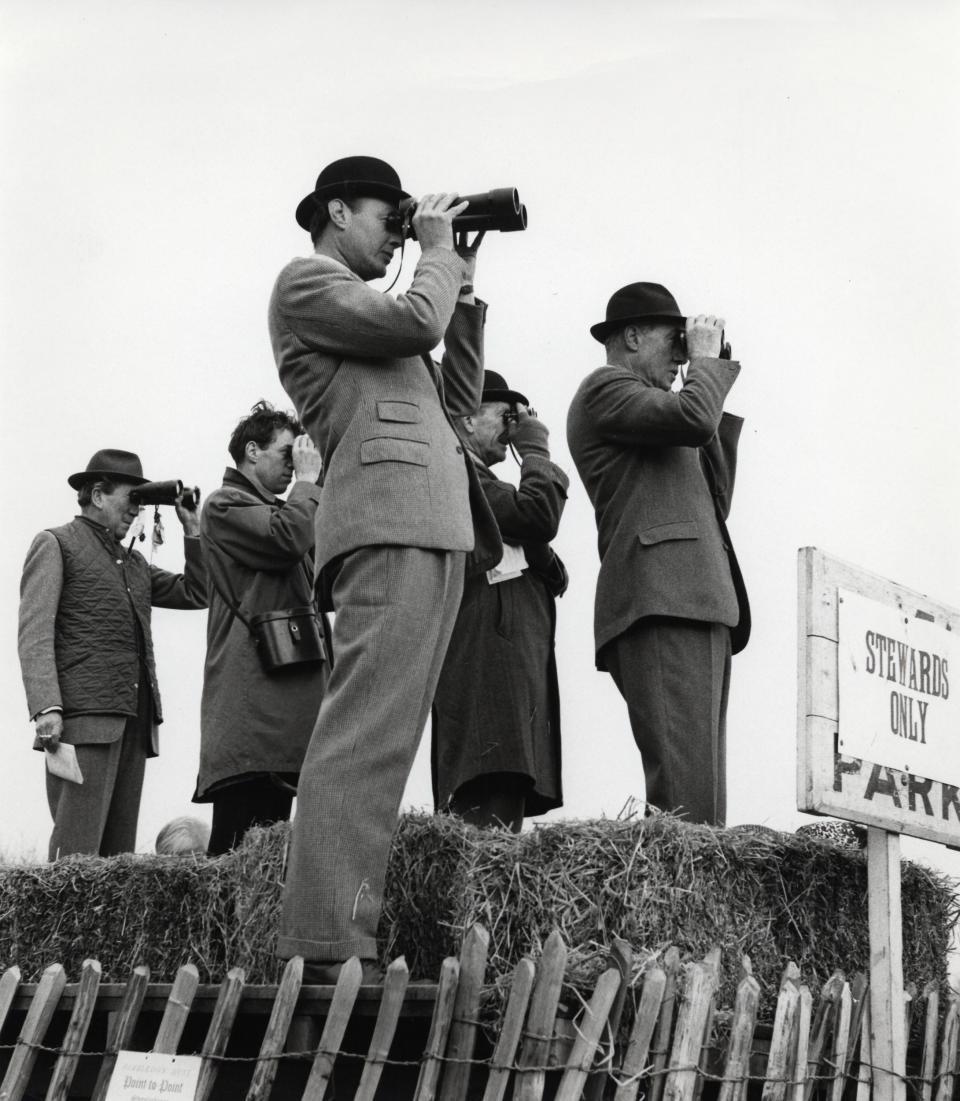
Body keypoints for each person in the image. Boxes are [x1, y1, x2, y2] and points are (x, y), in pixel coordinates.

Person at [268, 155, 501, 982]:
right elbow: (414, 326)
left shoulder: (383, 308)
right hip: (386, 521)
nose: (396, 231)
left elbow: (458, 402)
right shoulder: (307, 283)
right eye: (385, 216)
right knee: (362, 734)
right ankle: (329, 942)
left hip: (432, 525)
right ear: (336, 210)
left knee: (388, 740)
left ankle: (344, 931)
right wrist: (434, 249)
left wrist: (461, 280)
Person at [566, 283, 750, 827]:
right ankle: (682, 906)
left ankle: (695, 909)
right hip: (662, 599)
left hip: (699, 598)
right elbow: (694, 418)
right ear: (631, 336)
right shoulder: (606, 389)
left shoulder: (664, 412)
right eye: (674, 342)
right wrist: (702, 370)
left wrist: (709, 368)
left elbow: (717, 496)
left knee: (703, 798)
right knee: (685, 796)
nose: (679, 356)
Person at [17, 448, 207, 859]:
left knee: (119, 863)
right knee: (77, 856)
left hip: (133, 723)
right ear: (98, 495)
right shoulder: (55, 544)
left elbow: (198, 592)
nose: (136, 510)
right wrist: (46, 706)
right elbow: (34, 632)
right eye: (130, 498)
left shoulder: (134, 564)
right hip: (83, 722)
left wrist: (192, 528)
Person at [432, 370, 568, 832]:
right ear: (467, 419)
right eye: (505, 415)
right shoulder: (459, 470)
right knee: (488, 803)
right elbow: (536, 516)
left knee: (503, 799)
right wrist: (535, 448)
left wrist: (538, 549)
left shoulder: (486, 481)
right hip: (489, 667)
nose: (514, 425)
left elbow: (546, 560)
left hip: (505, 665)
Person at [193, 401, 331, 855]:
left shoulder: (285, 508)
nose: (294, 468)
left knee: (268, 860)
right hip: (252, 714)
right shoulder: (224, 504)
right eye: (286, 454)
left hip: (281, 712)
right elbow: (286, 539)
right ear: (252, 451)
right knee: (235, 854)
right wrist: (309, 483)